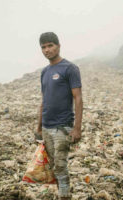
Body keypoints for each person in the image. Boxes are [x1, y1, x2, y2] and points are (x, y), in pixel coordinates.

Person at [35, 32, 83, 200]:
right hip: (47, 127)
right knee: (54, 165)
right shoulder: (45, 72)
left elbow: (78, 98)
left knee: (61, 166)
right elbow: (44, 99)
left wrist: (77, 128)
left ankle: (64, 196)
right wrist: (39, 127)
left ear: (58, 46)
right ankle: (63, 192)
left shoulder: (69, 68)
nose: (47, 50)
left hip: (62, 127)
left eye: (50, 45)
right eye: (43, 47)